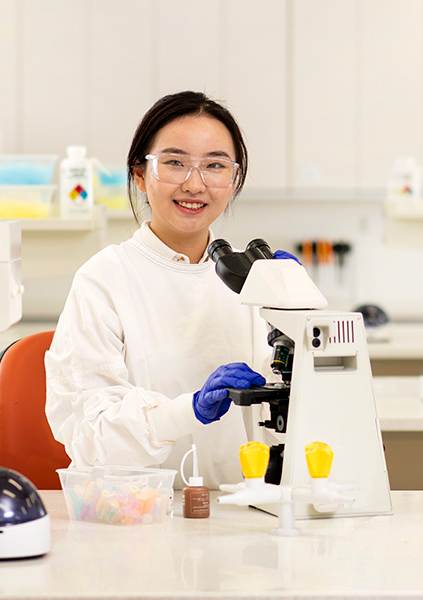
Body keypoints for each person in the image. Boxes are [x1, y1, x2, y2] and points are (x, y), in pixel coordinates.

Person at [45, 91, 292, 487]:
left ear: (233, 180)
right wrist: (185, 412)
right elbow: (90, 433)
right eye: (175, 163)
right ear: (139, 174)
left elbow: (299, 411)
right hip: (136, 517)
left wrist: (301, 315)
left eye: (215, 166)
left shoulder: (256, 280)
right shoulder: (104, 279)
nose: (195, 184)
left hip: (243, 511)